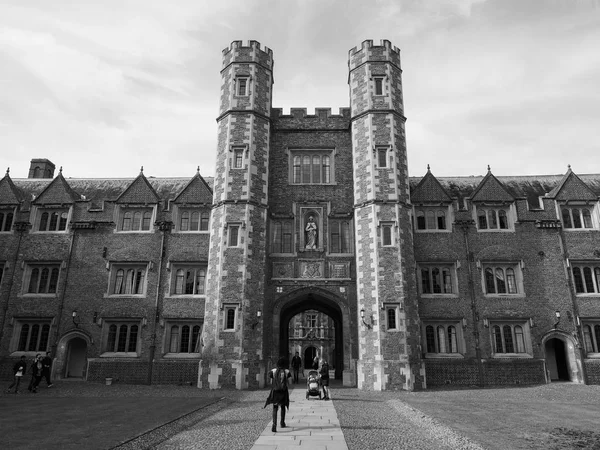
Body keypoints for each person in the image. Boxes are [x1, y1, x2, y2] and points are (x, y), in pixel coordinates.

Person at [264, 357, 292, 433]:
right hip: (283, 391)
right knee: (283, 406)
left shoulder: (273, 371)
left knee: (275, 407)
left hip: (275, 391)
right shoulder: (286, 371)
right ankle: (282, 423)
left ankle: (274, 424)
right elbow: (290, 382)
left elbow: (271, 382)